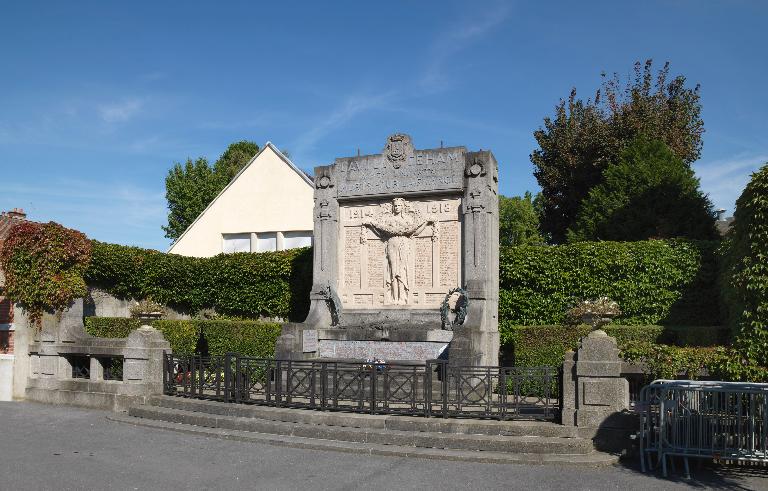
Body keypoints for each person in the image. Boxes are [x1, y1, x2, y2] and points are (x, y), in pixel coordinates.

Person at [363, 198, 432, 304]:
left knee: (402, 271)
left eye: (399, 206)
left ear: (403, 207)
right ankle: (394, 298)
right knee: (393, 271)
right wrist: (372, 225)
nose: (397, 208)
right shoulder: (389, 220)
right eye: (395, 206)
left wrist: (426, 222)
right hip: (391, 244)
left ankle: (402, 298)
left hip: (403, 244)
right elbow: (381, 234)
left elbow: (415, 232)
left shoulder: (408, 219)